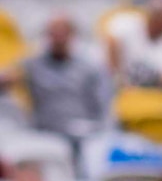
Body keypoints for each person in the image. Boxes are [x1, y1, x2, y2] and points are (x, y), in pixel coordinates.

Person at [0, 13, 110, 151]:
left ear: (72, 35)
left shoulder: (89, 67)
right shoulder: (32, 65)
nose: (58, 38)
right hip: (47, 132)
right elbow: (7, 77)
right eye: (53, 33)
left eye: (62, 33)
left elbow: (102, 104)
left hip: (84, 132)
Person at [107, 0, 162, 94]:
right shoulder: (129, 24)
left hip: (148, 94)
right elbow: (111, 42)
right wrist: (118, 79)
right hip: (121, 89)